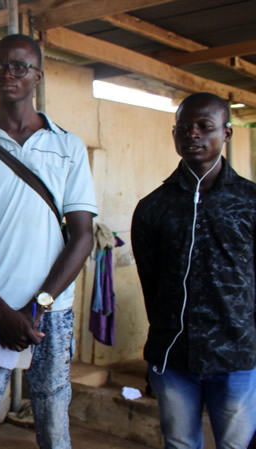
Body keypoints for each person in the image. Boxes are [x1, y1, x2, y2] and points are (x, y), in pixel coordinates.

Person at [0, 33, 96, 448]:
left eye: (20, 66)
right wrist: (2, 310)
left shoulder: (68, 147)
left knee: (54, 427)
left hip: (52, 314)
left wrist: (38, 304)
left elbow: (82, 236)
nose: (8, 73)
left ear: (38, 76)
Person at [131, 92, 256, 449]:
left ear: (227, 134)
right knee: (180, 443)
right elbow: (150, 285)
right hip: (173, 357)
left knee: (236, 445)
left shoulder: (250, 201)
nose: (193, 135)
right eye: (184, 128)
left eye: (205, 127)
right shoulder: (153, 208)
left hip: (237, 356)